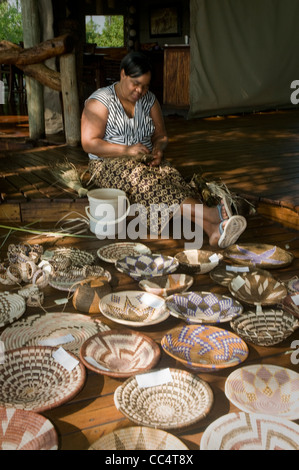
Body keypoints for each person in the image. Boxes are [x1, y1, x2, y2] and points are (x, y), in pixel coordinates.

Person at [81, 51, 247, 248]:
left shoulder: (149, 100)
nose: (140, 90)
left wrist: (158, 150)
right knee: (146, 184)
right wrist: (126, 151)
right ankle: (212, 214)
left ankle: (212, 231)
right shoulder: (100, 100)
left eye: (145, 86)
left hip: (145, 159)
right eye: (136, 84)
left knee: (171, 178)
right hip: (107, 164)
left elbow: (161, 136)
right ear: (123, 74)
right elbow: (89, 143)